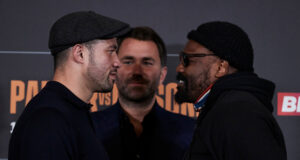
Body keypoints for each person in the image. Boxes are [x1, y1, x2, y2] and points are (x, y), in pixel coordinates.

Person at [8, 11, 130, 160]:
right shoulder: (49, 121)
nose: (117, 62)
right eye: (111, 51)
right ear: (80, 54)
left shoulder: (72, 113)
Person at [175, 21, 287, 160]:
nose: (179, 68)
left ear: (220, 67)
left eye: (187, 60)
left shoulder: (239, 113)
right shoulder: (228, 110)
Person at [92, 27, 195, 160]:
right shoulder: (87, 129)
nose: (137, 72)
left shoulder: (191, 133)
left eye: (147, 62)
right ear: (114, 70)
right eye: (128, 62)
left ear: (162, 75)